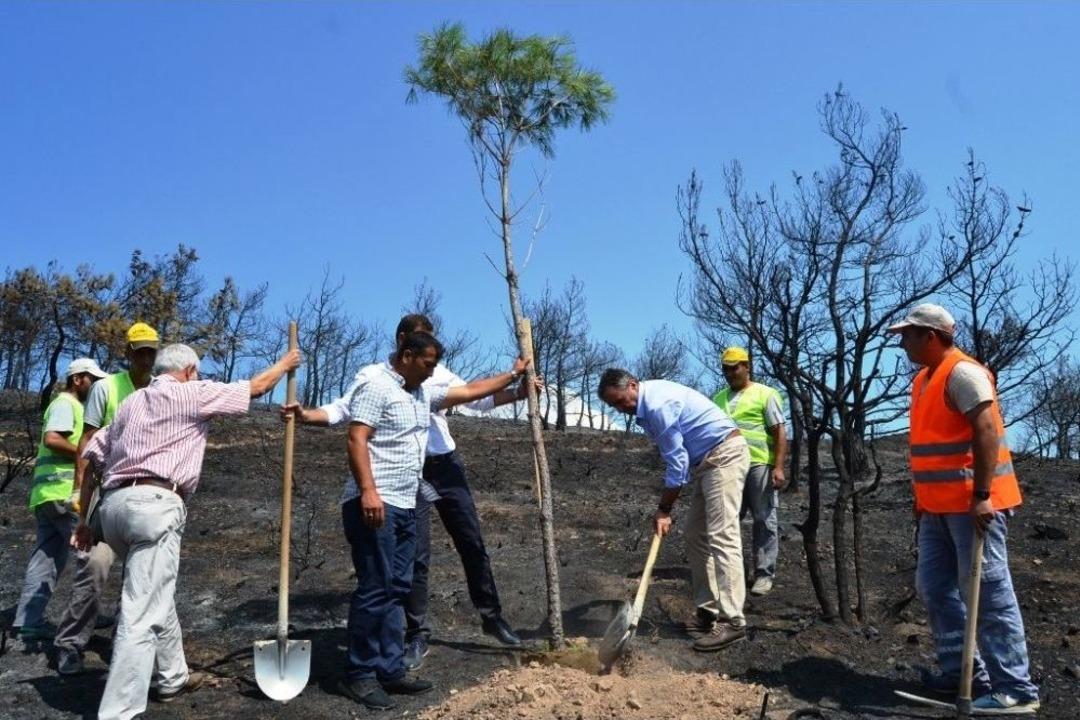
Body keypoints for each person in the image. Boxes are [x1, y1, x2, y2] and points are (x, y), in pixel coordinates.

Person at [286, 314, 533, 673]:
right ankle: (416, 633)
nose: (432, 367)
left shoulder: (433, 373)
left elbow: (471, 399)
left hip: (442, 463)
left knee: (471, 540)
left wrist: (517, 388)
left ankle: (491, 616)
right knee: (414, 557)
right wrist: (309, 416)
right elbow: (345, 412)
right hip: (400, 475)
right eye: (423, 347)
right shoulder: (373, 378)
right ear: (404, 344)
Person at [74, 342, 301, 720]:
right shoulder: (192, 393)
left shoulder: (131, 403)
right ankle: (119, 712)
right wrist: (287, 362)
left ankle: (173, 676)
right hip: (154, 507)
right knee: (141, 613)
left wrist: (84, 519)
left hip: (113, 510)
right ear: (190, 371)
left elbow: (92, 456)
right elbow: (256, 387)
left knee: (155, 590)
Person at [889, 303, 1039, 713]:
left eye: (908, 335)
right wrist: (922, 502)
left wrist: (983, 495)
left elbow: (987, 431)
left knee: (988, 592)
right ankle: (962, 672)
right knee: (935, 587)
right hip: (936, 508)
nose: (902, 343)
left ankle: (1015, 689)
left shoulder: (964, 374)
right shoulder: (923, 379)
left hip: (972, 505)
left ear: (931, 336)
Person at [598, 368, 750, 652]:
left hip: (724, 454)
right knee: (695, 534)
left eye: (621, 401)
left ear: (632, 385)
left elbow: (677, 464)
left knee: (722, 536)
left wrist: (664, 509)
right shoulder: (648, 404)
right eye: (614, 406)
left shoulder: (656, 405)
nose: (621, 409)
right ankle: (707, 612)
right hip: (708, 462)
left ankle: (734, 622)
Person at [54, 321, 159, 675]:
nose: (146, 357)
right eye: (140, 350)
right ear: (128, 353)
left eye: (151, 350)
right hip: (105, 490)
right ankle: (70, 644)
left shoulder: (162, 390)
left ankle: (124, 645)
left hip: (145, 494)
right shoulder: (108, 388)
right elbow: (87, 444)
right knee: (94, 566)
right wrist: (80, 498)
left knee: (139, 575)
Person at [12, 358, 107, 641]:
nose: (97, 385)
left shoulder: (72, 405)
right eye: (93, 379)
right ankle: (84, 618)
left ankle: (27, 621)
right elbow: (53, 438)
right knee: (90, 553)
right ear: (78, 379)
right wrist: (86, 454)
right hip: (65, 493)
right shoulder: (67, 404)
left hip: (47, 495)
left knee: (46, 557)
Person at [713, 346, 788, 597]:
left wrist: (778, 466)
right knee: (728, 520)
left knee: (764, 518)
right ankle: (735, 573)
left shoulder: (765, 394)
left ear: (747, 366)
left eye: (735, 367)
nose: (730, 373)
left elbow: (779, 431)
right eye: (726, 368)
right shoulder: (718, 398)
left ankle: (764, 574)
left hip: (758, 464)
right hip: (727, 466)